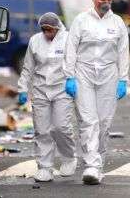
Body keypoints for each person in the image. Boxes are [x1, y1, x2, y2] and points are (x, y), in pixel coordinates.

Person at [63, 0, 129, 185]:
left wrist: (123, 79)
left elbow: (123, 52)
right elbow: (71, 49)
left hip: (109, 75)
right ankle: (91, 164)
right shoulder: (81, 20)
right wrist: (69, 76)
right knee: (87, 120)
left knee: (104, 122)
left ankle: (98, 163)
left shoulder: (117, 22)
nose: (106, 2)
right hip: (84, 73)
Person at [17, 12, 77, 182]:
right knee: (42, 130)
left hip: (62, 88)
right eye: (44, 30)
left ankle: (68, 157)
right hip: (40, 89)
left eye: (50, 30)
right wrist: (22, 88)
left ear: (57, 28)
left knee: (60, 127)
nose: (47, 33)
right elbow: (28, 67)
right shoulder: (35, 41)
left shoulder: (68, 40)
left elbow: (75, 63)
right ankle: (45, 167)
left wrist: (74, 81)